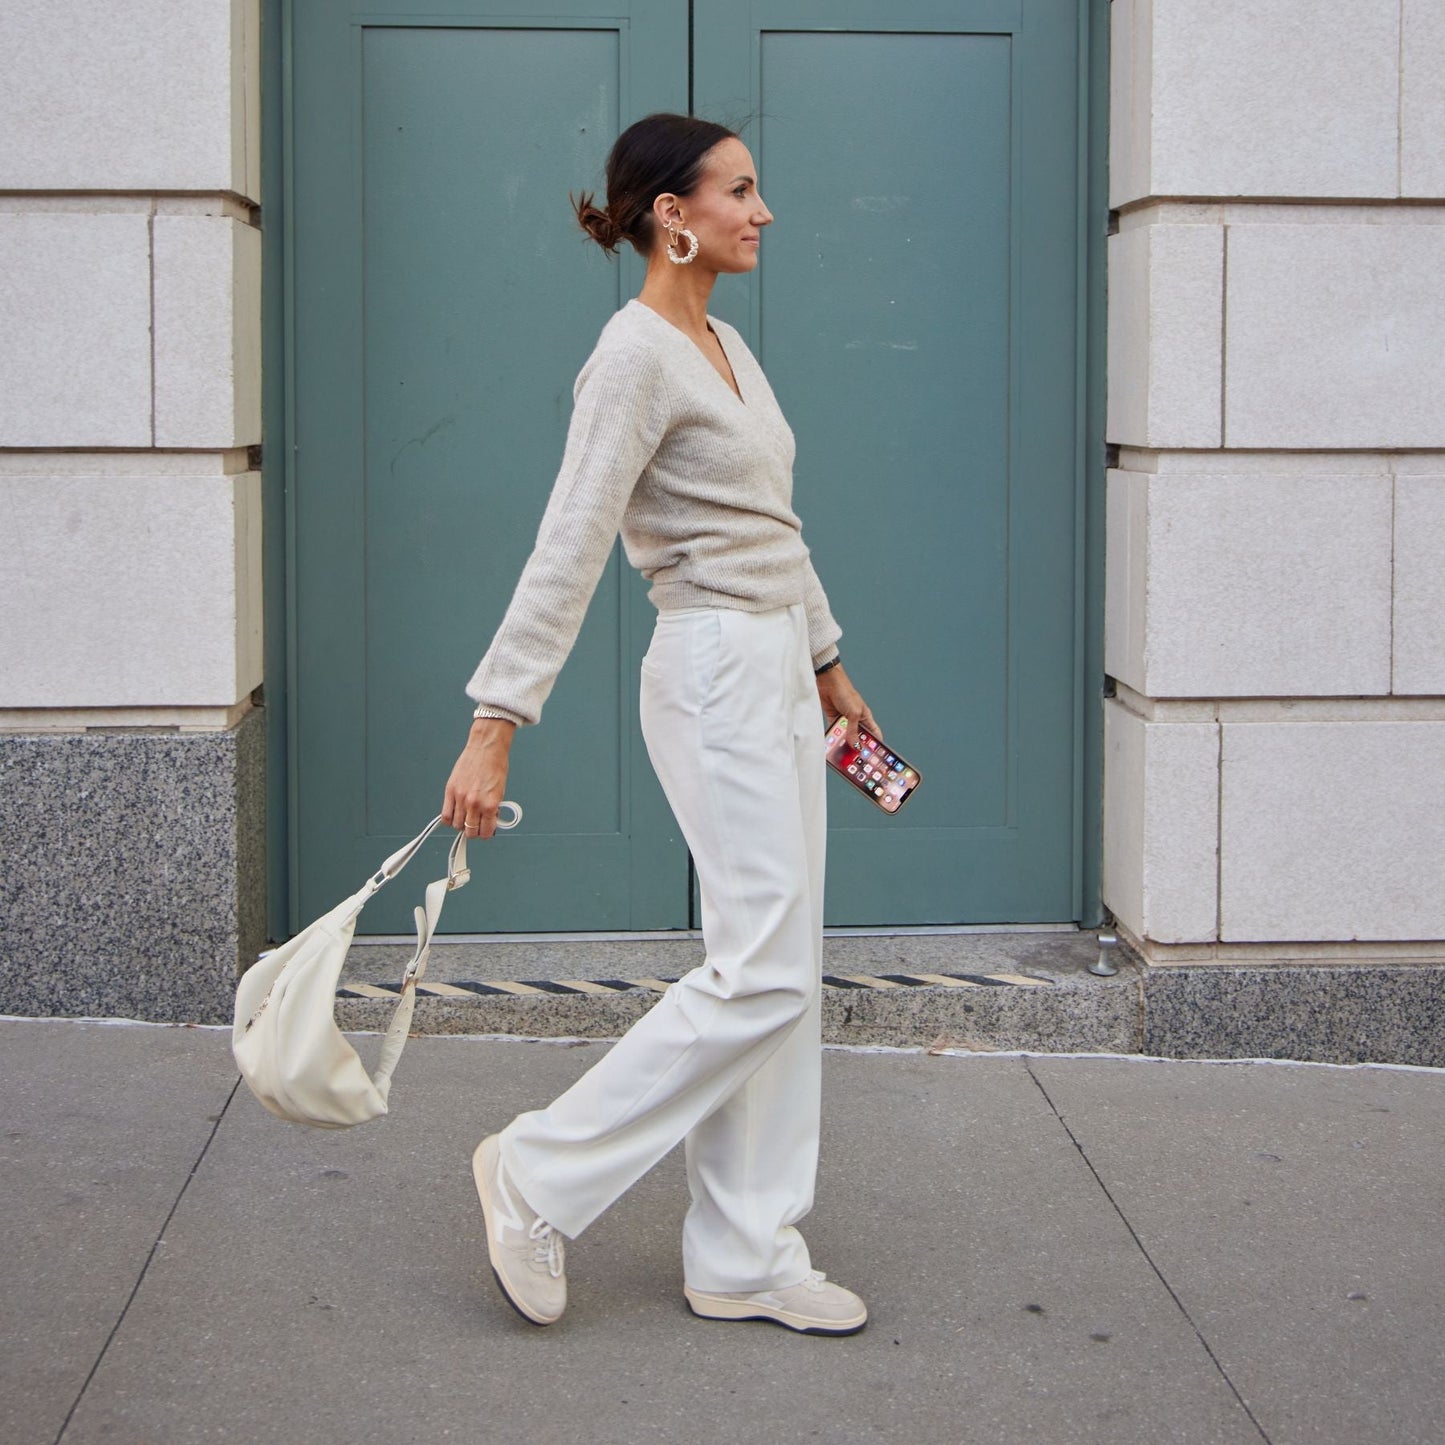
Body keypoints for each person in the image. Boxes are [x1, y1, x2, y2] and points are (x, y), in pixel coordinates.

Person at [441, 112, 881, 1336]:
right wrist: (498, 714)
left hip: (779, 668)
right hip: (712, 671)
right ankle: (536, 1169)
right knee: (754, 970)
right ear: (670, 215)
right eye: (741, 191)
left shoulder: (727, 344)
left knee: (780, 970)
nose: (764, 210)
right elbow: (569, 540)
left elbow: (770, 525)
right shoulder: (634, 354)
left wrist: (829, 659)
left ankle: (745, 1250)